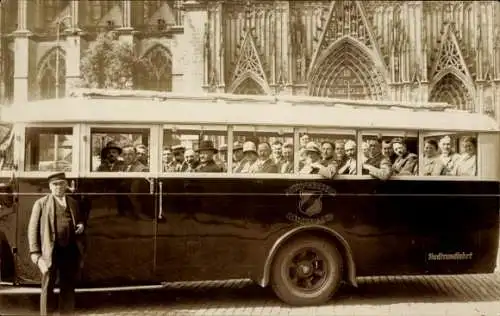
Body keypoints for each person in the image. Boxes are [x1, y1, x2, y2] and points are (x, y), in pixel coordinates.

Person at [27, 172, 86, 315]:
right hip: (50, 251)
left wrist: (81, 225)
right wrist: (35, 254)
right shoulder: (41, 204)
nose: (58, 187)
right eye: (55, 184)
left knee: (68, 286)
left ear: (66, 185)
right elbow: (32, 229)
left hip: (70, 250)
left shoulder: (73, 203)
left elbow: (79, 221)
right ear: (50, 187)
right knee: (48, 285)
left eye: (61, 184)